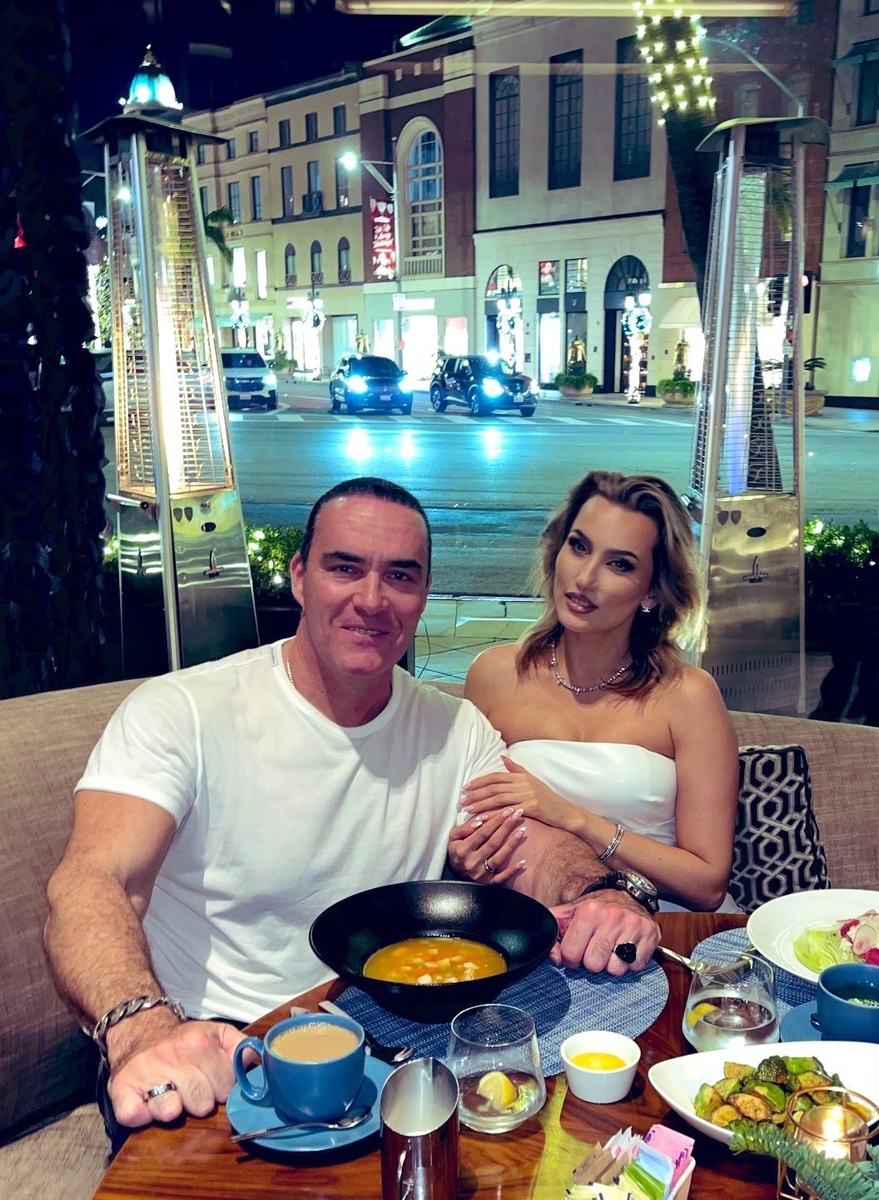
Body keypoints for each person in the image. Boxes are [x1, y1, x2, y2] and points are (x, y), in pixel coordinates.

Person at [44, 476, 659, 1139]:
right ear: (299, 577)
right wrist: (142, 1028)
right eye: (344, 568)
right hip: (211, 1049)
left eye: (400, 576)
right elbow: (91, 882)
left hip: (377, 1042)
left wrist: (599, 893)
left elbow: (528, 842)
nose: (372, 599)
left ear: (424, 593)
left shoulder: (454, 729)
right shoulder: (182, 711)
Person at [448, 470, 739, 913]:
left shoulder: (688, 696)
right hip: (535, 922)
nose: (585, 578)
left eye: (619, 564)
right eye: (579, 547)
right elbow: (469, 819)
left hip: (668, 925)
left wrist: (572, 817)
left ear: (653, 591)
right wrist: (465, 858)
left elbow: (707, 885)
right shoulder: (495, 675)